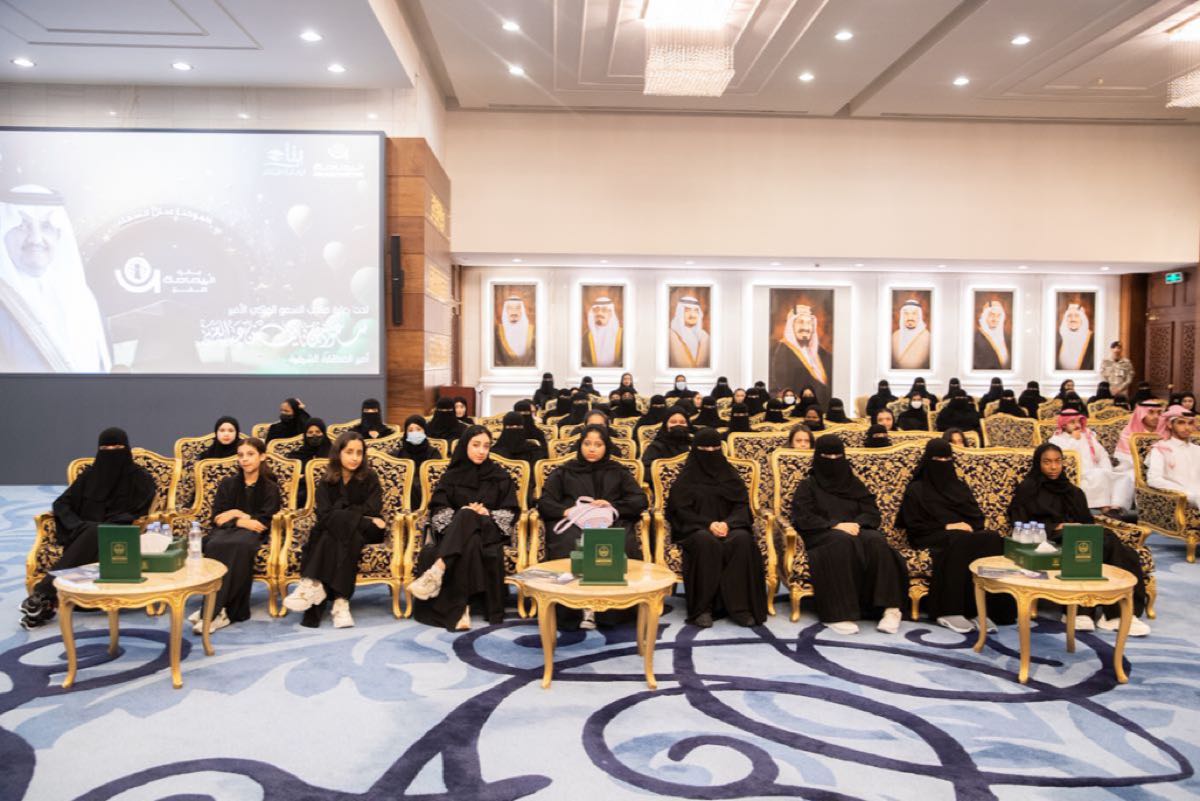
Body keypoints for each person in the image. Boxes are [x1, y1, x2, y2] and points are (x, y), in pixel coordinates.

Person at [19, 427, 157, 629]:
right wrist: (77, 525)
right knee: (92, 531)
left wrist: (106, 525)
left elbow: (138, 512)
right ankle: (44, 601)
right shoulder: (89, 475)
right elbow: (62, 503)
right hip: (81, 533)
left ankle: (43, 595)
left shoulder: (140, 478)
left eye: (117, 447)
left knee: (97, 531)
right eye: (106, 448)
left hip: (115, 536)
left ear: (126, 448)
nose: (111, 452)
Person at [1008, 443, 1150, 636]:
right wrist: (1055, 527)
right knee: (1098, 543)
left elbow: (1087, 522)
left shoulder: (1073, 492)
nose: (1053, 467)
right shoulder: (1028, 489)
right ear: (1038, 463)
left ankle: (1113, 614)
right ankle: (1085, 611)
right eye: (1047, 462)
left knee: (1117, 547)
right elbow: (1019, 522)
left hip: (1078, 536)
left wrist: (1078, 528)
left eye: (1058, 461)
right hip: (1046, 539)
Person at [788, 435, 907, 634]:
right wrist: (835, 525)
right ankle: (838, 613)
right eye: (827, 456)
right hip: (822, 534)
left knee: (876, 540)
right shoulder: (808, 485)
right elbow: (803, 517)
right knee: (841, 541)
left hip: (856, 529)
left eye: (837, 456)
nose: (833, 461)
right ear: (818, 457)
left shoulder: (854, 484)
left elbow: (872, 513)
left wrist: (856, 524)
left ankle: (890, 608)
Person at [537, 425, 649, 629]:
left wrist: (612, 506)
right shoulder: (564, 471)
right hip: (573, 522)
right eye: (587, 443)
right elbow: (545, 502)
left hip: (610, 521)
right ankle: (573, 609)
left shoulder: (618, 472)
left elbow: (639, 500)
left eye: (598, 444)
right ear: (580, 445)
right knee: (569, 542)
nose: (592, 449)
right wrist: (568, 512)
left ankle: (610, 611)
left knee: (617, 541)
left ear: (606, 447)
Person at [409, 426, 519, 631]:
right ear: (465, 446)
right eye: (476, 445)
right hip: (457, 532)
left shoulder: (500, 476)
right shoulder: (451, 476)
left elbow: (510, 512)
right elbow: (438, 510)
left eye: (486, 446)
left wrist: (487, 513)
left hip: (490, 530)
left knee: (468, 517)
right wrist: (464, 514)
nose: (481, 451)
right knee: (468, 528)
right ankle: (462, 607)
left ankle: (438, 570)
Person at [896, 439, 1009, 633]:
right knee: (959, 538)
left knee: (991, 537)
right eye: (937, 459)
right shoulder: (917, 489)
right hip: (928, 534)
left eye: (947, 459)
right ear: (928, 460)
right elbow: (913, 524)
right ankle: (949, 611)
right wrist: (947, 526)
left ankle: (982, 610)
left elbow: (977, 518)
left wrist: (968, 527)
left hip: (962, 535)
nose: (943, 463)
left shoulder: (959, 486)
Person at [0, 184, 110, 372]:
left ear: (60, 234)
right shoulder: (5, 303)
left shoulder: (83, 299)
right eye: (22, 226)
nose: (36, 239)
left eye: (46, 226)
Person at [283, 432, 386, 628]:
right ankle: (341, 601)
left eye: (359, 453)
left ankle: (312, 583)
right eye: (349, 452)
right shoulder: (327, 479)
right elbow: (323, 513)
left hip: (369, 532)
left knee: (329, 529)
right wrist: (360, 517)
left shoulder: (370, 477)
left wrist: (341, 512)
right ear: (338, 453)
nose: (355, 457)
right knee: (339, 535)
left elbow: (373, 508)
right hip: (358, 528)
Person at [665, 428, 766, 627]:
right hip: (697, 529)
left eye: (715, 448)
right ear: (696, 450)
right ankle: (703, 608)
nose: (710, 452)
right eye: (705, 449)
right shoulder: (686, 478)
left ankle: (740, 608)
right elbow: (680, 511)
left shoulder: (730, 475)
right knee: (705, 541)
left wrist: (728, 523)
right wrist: (708, 524)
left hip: (730, 526)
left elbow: (741, 506)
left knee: (742, 540)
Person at [197, 437, 281, 633]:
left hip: (251, 535)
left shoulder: (270, 488)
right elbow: (217, 517)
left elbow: (262, 523)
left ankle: (215, 612)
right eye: (241, 455)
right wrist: (240, 519)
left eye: (250, 454)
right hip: (226, 531)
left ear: (262, 456)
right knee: (214, 544)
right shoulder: (227, 484)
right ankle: (216, 610)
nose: (245, 459)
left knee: (240, 545)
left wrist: (235, 514)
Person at [1049, 410, 1125, 514]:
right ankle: (1106, 509)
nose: (1077, 425)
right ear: (1064, 425)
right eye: (1072, 422)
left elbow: (1102, 455)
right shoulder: (1056, 440)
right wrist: (1074, 440)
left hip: (1095, 471)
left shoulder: (1088, 436)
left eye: (1078, 421)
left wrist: (1107, 470)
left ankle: (1115, 508)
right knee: (1100, 476)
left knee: (1124, 478)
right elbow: (1067, 458)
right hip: (1076, 475)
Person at [770, 304, 833, 408]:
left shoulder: (820, 352)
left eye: (809, 323)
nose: (805, 327)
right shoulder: (782, 351)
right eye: (800, 322)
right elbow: (783, 386)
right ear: (791, 326)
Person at [1147, 406, 1200, 509]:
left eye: (1190, 423)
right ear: (1169, 424)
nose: (1187, 428)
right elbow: (1154, 479)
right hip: (1181, 498)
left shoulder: (1197, 449)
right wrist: (1185, 492)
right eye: (1181, 423)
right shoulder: (1160, 449)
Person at [391, 415, 437, 511]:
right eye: (410, 430)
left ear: (425, 431)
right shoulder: (397, 454)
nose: (414, 433)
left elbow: (435, 478)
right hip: (401, 496)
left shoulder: (433, 453)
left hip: (425, 492)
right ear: (406, 433)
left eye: (418, 429)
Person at [290, 418, 331, 509]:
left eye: (318, 432)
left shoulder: (332, 453)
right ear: (305, 435)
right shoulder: (297, 455)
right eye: (310, 432)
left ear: (323, 433)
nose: (314, 435)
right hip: (303, 492)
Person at [641, 410, 693, 476]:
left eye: (682, 422)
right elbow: (645, 469)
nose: (678, 425)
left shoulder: (693, 444)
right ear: (665, 425)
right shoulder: (656, 446)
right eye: (673, 422)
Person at [668, 294, 710, 368]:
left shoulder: (704, 336)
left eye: (696, 311)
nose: (692, 315)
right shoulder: (670, 335)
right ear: (680, 313)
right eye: (687, 311)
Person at [494, 294, 535, 366]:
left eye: (517, 308)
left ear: (522, 311)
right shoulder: (497, 332)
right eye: (510, 308)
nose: (514, 312)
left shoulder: (533, 331)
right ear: (505, 311)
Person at [583, 295, 623, 368]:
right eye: (596, 310)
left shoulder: (623, 335)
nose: (599, 313)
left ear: (611, 313)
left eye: (604, 310)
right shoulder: (586, 337)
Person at [891, 299, 931, 369]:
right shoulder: (895, 336)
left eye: (914, 313)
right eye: (906, 314)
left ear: (919, 316)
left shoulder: (928, 337)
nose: (910, 318)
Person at [973, 299, 1010, 370]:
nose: (995, 319)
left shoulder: (1007, 338)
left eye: (998, 316)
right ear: (984, 316)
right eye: (991, 315)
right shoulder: (976, 339)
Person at [1056, 302, 1094, 370]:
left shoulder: (1092, 339)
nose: (1073, 319)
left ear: (1082, 319)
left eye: (1077, 316)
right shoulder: (1059, 338)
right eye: (1069, 316)